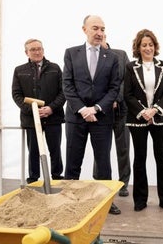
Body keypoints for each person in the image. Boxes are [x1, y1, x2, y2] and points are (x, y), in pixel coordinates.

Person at [62, 15, 122, 214]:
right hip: (75, 117)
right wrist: (82, 109)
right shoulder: (71, 53)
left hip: (102, 118)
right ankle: (68, 201)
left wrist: (95, 109)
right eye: (95, 28)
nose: (100, 33)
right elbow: (67, 85)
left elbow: (114, 88)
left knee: (103, 162)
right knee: (72, 161)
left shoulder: (112, 58)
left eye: (103, 29)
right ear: (84, 29)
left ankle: (105, 201)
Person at [124, 29, 163, 212]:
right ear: (138, 47)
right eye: (144, 45)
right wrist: (143, 111)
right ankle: (140, 200)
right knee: (140, 158)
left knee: (161, 157)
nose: (148, 48)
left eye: (151, 45)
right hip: (138, 119)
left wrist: (155, 110)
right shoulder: (130, 67)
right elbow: (127, 95)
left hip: (160, 117)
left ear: (155, 46)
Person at [12, 39, 65, 184]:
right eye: (33, 49)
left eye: (39, 49)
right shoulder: (19, 70)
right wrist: (33, 110)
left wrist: (51, 108)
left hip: (53, 118)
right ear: (26, 52)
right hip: (31, 119)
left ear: (43, 50)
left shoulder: (55, 68)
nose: (37, 52)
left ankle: (57, 179)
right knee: (33, 151)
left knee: (55, 150)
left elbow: (63, 92)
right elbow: (16, 95)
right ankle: (33, 180)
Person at [92, 34, 131, 197]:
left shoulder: (120, 55)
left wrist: (116, 98)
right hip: (101, 112)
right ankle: (100, 180)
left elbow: (127, 80)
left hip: (121, 111)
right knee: (101, 150)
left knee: (123, 148)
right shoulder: (93, 57)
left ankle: (123, 183)